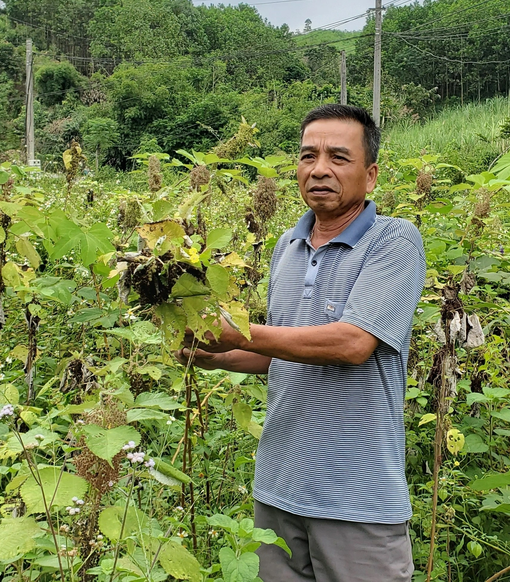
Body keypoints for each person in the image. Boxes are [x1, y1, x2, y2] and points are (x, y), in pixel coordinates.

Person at [179, 104, 426, 582]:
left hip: (357, 497)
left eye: (338, 157)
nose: (319, 169)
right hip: (278, 489)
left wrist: (240, 332)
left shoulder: (393, 241)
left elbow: (352, 344)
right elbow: (284, 351)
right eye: (308, 156)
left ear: (370, 176)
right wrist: (212, 354)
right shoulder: (287, 248)